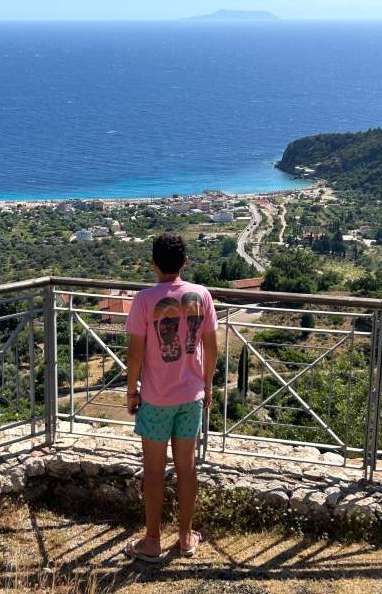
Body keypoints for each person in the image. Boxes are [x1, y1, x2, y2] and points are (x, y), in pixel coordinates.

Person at [122, 233, 218, 563]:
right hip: (191, 395)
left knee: (153, 471)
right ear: (185, 262)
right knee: (187, 468)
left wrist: (131, 391)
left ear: (153, 264)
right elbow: (212, 347)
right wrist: (207, 386)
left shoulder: (144, 300)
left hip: (156, 398)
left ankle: (151, 541)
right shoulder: (201, 295)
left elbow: (134, 355)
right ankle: (186, 537)